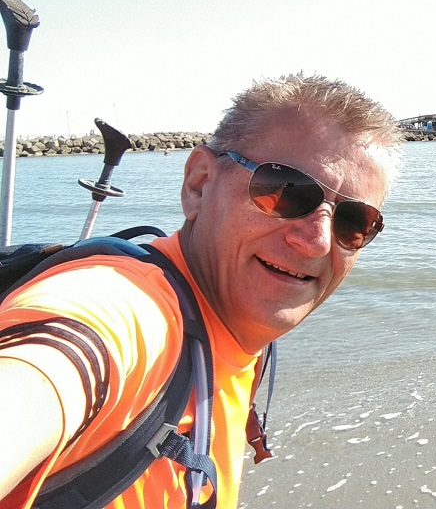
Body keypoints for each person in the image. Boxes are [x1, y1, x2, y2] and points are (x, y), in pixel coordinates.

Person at [0, 73, 405, 509]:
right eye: (287, 192)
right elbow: (43, 374)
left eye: (354, 222)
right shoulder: (127, 311)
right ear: (198, 184)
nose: (319, 241)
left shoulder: (236, 327)